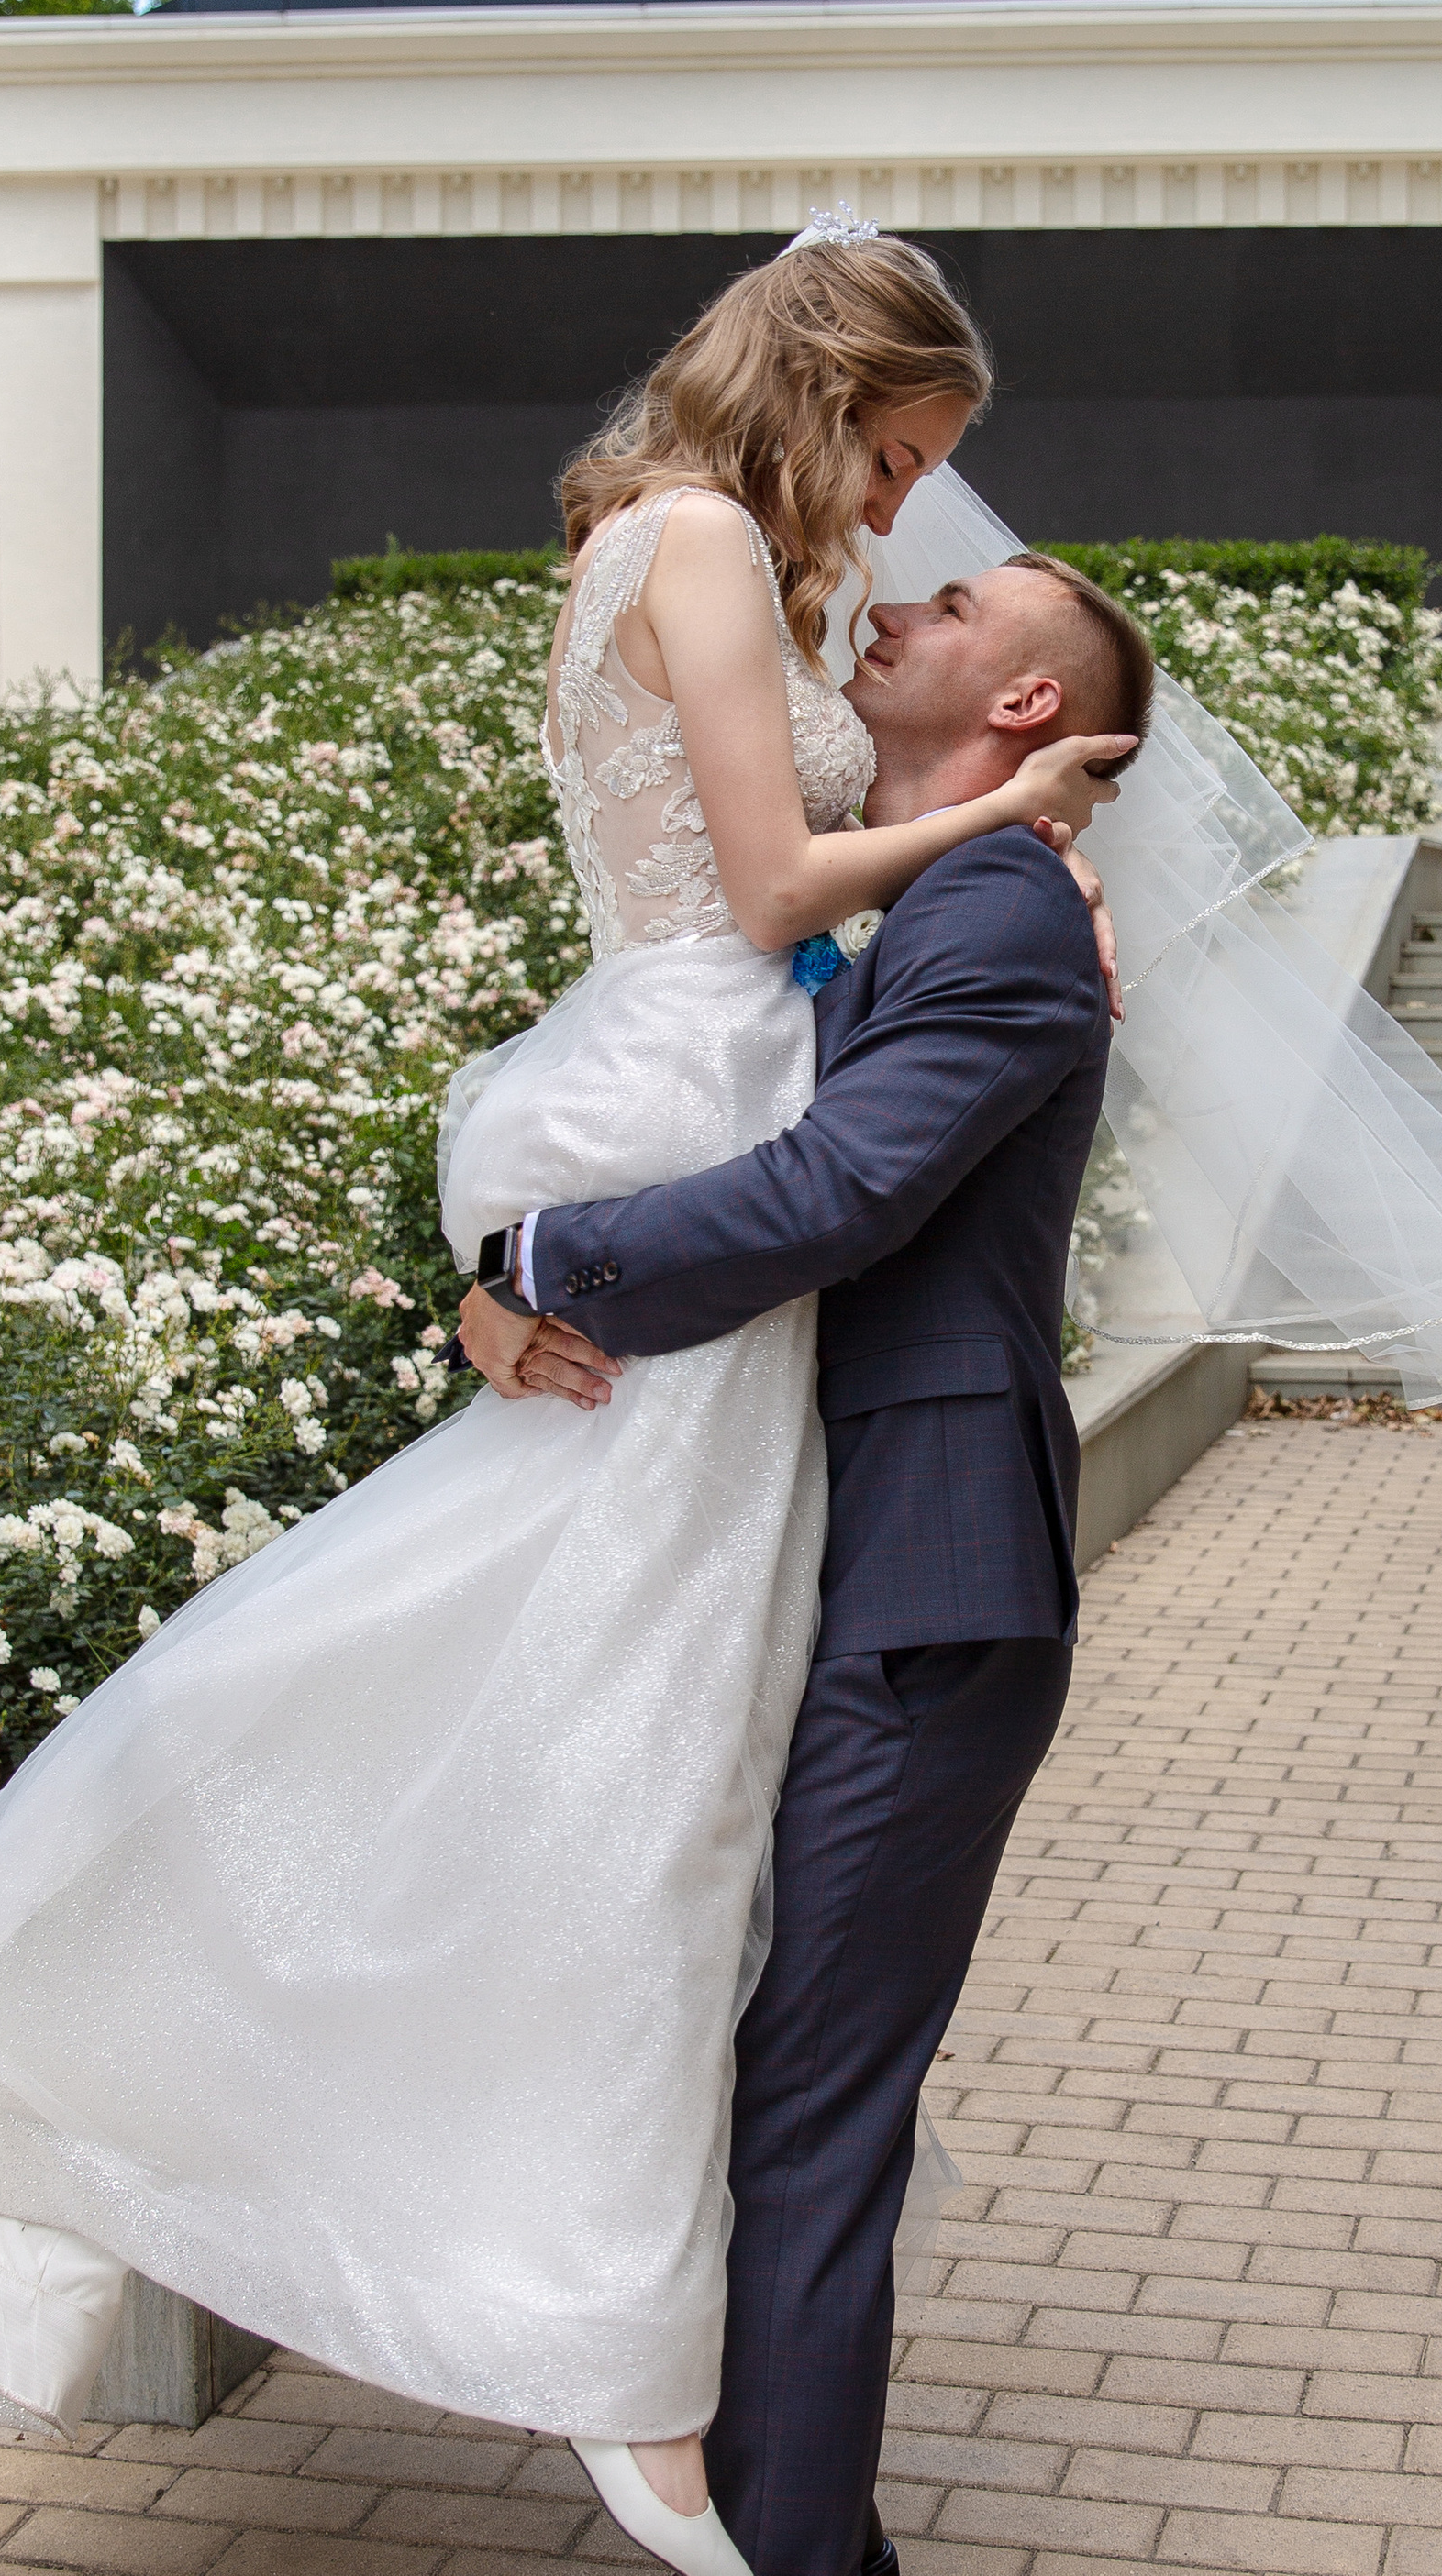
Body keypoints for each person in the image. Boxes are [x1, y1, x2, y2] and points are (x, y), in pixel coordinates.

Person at [0, 227, 1132, 2576]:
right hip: (692, 1089)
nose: (902, 524)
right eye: (897, 460)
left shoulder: (719, 583)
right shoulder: (702, 548)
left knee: (611, 1740)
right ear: (827, 389)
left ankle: (601, 2318)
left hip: (691, 1110)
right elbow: (775, 891)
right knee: (617, 1744)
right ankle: (609, 2347)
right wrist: (1003, 827)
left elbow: (815, 996)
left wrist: (526, 1262)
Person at [457, 542, 1158, 2576]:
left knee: (807, 2112)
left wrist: (549, 1259)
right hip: (783, 1543)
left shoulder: (1005, 911)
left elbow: (844, 1188)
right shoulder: (875, 902)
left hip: (928, 1583)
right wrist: (486, 1292)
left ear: (1022, 705)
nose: (904, 599)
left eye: (960, 604)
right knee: (745, 2064)